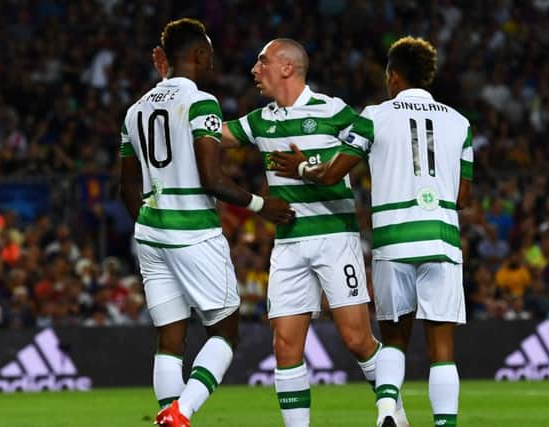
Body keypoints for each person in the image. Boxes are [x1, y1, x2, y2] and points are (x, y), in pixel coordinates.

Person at [153, 38, 403, 426]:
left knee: (357, 339)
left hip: (335, 238)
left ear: (287, 67)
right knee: (285, 347)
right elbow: (209, 132)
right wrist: (171, 88)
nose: (254, 70)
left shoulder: (332, 111)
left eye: (262, 62)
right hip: (288, 243)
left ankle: (392, 409)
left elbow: (376, 144)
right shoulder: (260, 120)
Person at [273, 36, 473, 427]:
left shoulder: (374, 116)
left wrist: (299, 167)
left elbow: (331, 174)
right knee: (442, 348)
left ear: (393, 76)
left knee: (395, 339)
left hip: (394, 240)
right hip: (442, 237)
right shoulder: (460, 123)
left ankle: (385, 411)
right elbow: (463, 196)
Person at [119, 19, 293, 427]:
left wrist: (151, 228)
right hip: (193, 233)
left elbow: (126, 187)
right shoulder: (201, 102)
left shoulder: (135, 109)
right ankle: (181, 413)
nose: (213, 62)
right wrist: (260, 204)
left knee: (170, 339)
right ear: (196, 55)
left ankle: (167, 415)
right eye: (210, 54)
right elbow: (211, 180)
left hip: (150, 233)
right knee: (226, 331)